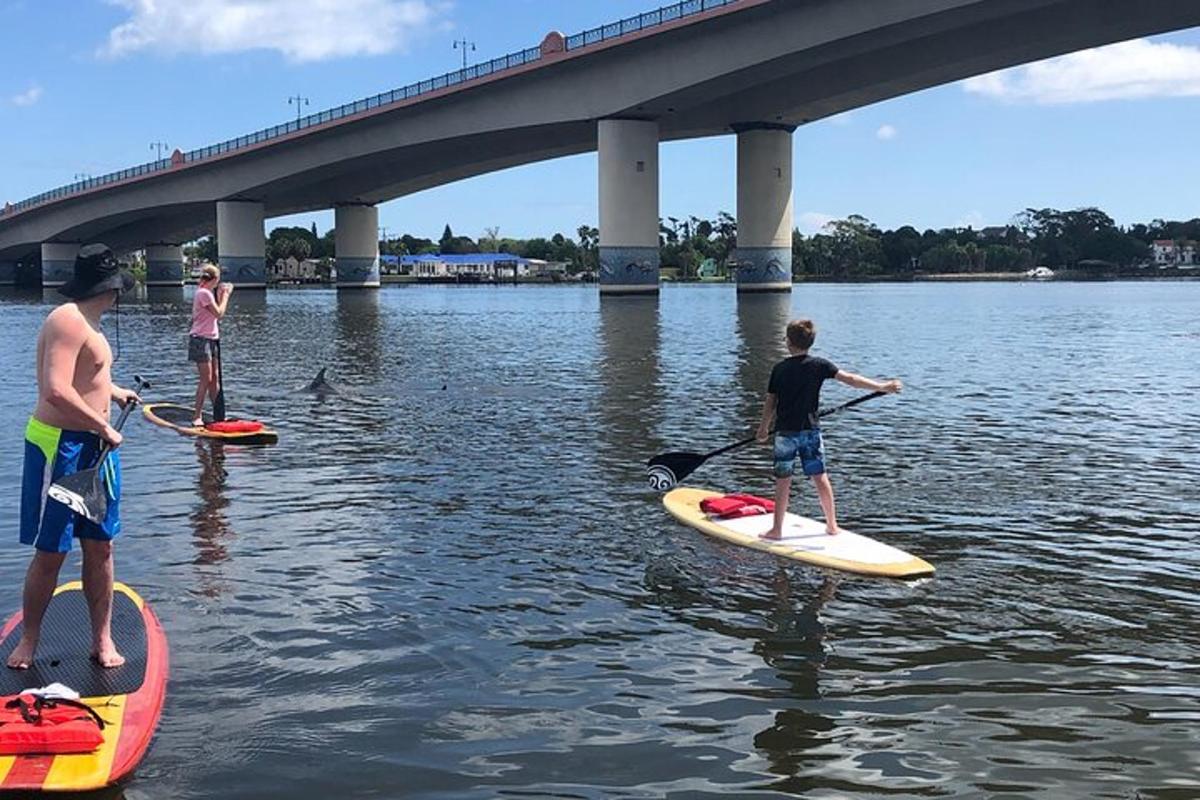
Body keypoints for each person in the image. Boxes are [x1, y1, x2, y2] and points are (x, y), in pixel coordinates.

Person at [8, 244, 139, 670]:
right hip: (59, 445)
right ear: (109, 287)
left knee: (100, 547)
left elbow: (89, 376)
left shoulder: (92, 322)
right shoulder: (66, 319)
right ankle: (28, 640)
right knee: (52, 551)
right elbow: (55, 390)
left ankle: (102, 640)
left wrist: (114, 393)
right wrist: (103, 425)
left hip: (96, 449)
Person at [755, 319, 901, 540]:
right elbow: (851, 380)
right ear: (810, 342)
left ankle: (777, 530)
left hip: (785, 434)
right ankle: (832, 525)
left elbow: (770, 402)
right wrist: (882, 386)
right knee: (820, 477)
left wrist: (763, 428)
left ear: (788, 342)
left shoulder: (779, 369)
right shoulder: (819, 365)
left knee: (783, 481)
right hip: (811, 432)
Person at [189, 264, 233, 426]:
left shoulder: (207, 293)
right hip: (200, 339)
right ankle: (197, 416)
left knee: (214, 378)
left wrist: (221, 295)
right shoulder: (203, 293)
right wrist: (226, 295)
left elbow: (215, 314)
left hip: (212, 338)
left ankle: (218, 414)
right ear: (214, 279)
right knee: (206, 379)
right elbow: (219, 314)